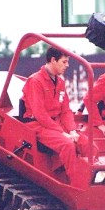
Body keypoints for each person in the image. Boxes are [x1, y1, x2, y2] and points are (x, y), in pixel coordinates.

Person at [21, 47, 83, 179]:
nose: (67, 65)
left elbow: (66, 110)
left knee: (85, 142)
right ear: (53, 60)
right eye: (64, 62)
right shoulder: (35, 81)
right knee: (67, 145)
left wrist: (72, 130)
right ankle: (75, 181)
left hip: (55, 123)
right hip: (37, 125)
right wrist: (62, 132)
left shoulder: (60, 82)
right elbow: (40, 114)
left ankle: (93, 181)